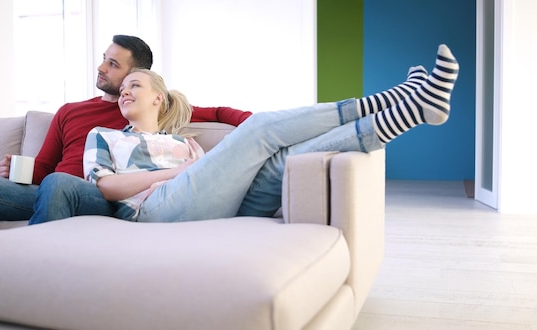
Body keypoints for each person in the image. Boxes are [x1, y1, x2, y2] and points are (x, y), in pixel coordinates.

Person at [43, 43, 457, 224]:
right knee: (260, 130)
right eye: (123, 86)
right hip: (153, 211)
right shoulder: (104, 134)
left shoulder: (184, 142)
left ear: (159, 100)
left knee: (287, 161)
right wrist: (174, 174)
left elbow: (210, 168)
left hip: (211, 201)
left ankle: (414, 110)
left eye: (136, 84)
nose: (124, 91)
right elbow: (108, 188)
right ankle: (398, 98)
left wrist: (195, 165)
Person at [0, 35, 252, 239]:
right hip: (50, 189)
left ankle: (30, 275)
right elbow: (46, 169)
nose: (101, 67)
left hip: (95, 195)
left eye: (113, 64)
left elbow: (221, 112)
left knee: (59, 184)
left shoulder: (142, 108)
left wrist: (256, 124)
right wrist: (18, 170)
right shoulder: (70, 111)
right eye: (104, 58)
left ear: (134, 75)